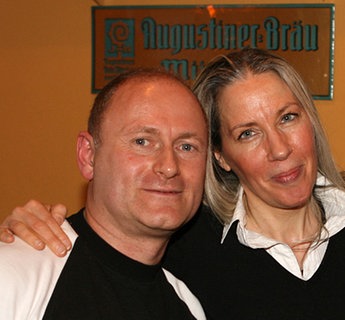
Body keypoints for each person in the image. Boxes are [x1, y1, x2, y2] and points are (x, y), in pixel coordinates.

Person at [1, 44, 345, 318]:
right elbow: (107, 246)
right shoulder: (186, 242)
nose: (278, 149)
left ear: (309, 121)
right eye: (246, 133)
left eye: (288, 118)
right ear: (221, 157)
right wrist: (34, 229)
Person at [0, 69, 208, 319]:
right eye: (142, 141)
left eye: (187, 147)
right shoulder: (14, 274)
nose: (169, 166)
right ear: (88, 156)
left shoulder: (188, 304)